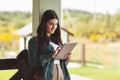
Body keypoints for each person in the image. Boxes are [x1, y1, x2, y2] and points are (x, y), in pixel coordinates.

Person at [28, 9, 71, 80]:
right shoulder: (34, 41)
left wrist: (66, 59)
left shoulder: (57, 41)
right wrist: (51, 55)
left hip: (61, 75)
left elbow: (62, 63)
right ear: (44, 24)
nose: (54, 27)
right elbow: (33, 62)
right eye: (51, 24)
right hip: (45, 76)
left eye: (56, 24)